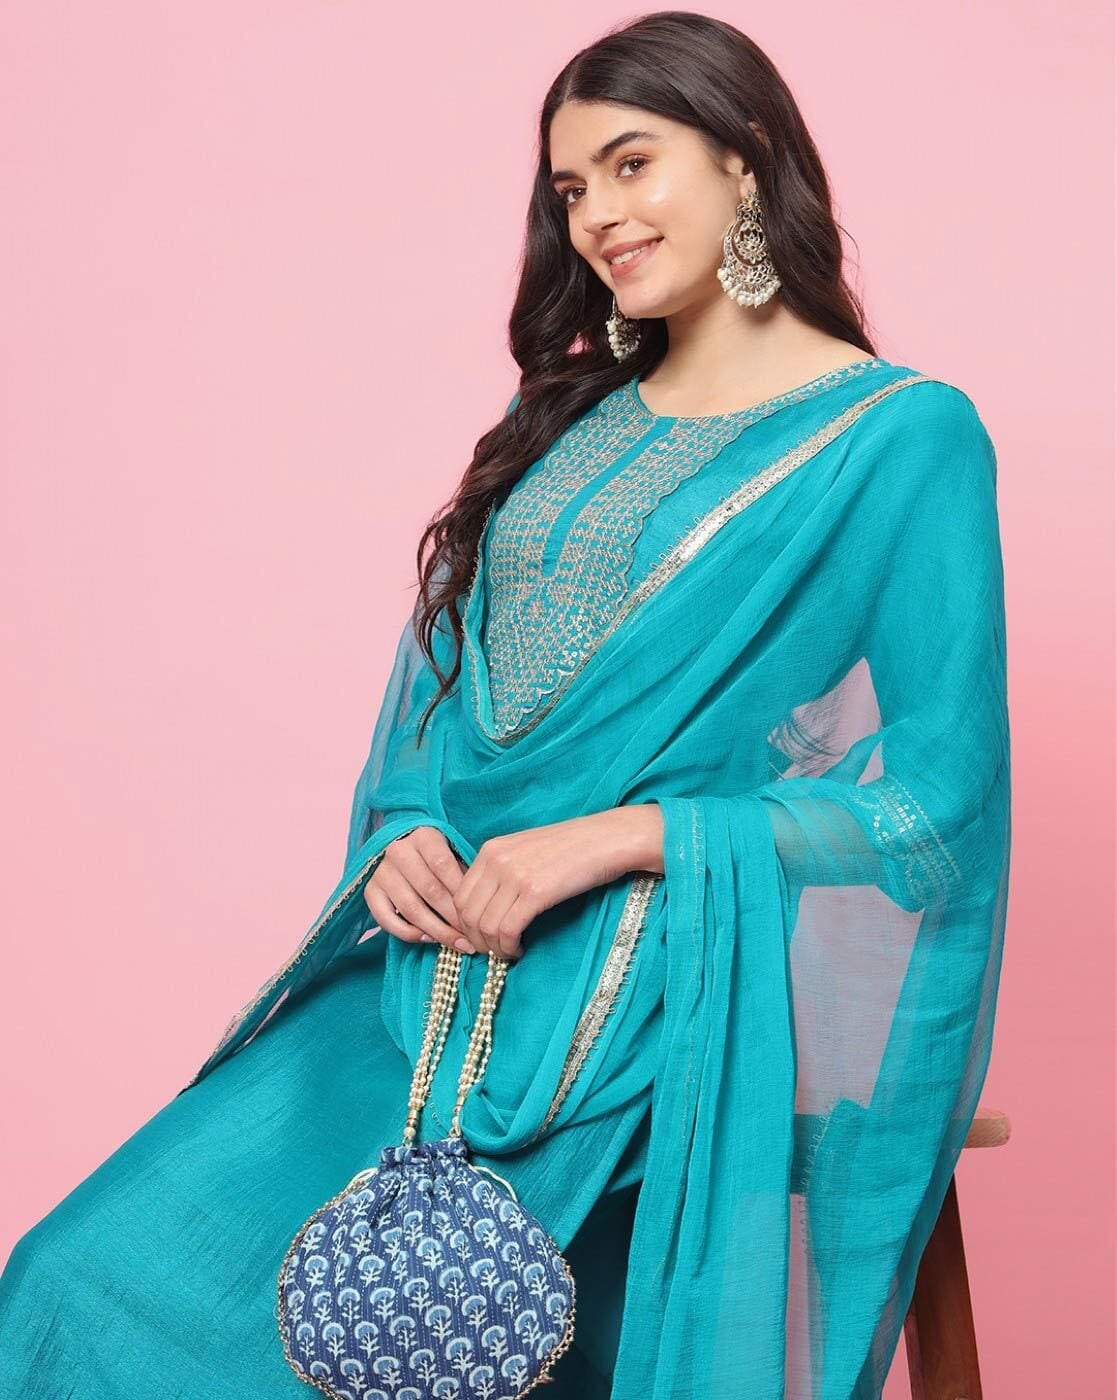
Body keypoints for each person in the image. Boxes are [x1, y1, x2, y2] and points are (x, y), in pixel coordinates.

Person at [0, 11, 1011, 1398]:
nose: (597, 216)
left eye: (632, 164)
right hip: (425, 972)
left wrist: (629, 837)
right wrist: (400, 831)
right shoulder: (566, 418)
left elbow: (934, 800)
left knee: (456, 1343)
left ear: (745, 156)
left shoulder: (897, 436)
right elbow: (444, 685)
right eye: (571, 188)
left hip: (649, 993)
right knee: (80, 1283)